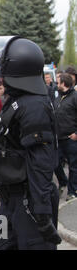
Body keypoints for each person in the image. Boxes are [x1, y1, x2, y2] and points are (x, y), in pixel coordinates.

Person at [0, 37, 61, 250]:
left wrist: (42, 210)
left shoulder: (35, 106)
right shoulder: (17, 100)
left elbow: (41, 161)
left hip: (29, 201)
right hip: (10, 198)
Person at [55, 73, 77, 201]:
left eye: (58, 82)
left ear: (64, 83)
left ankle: (72, 191)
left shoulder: (75, 97)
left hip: (71, 139)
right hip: (58, 139)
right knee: (55, 163)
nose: (56, 85)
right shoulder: (58, 98)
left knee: (74, 166)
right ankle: (63, 181)